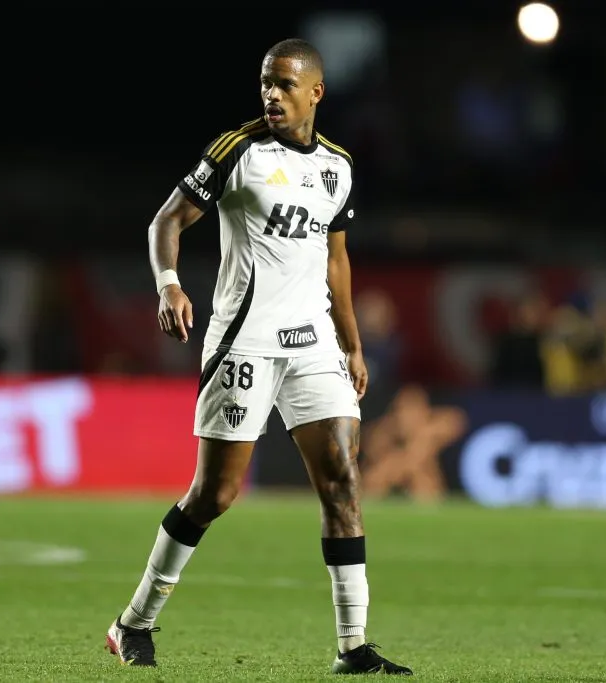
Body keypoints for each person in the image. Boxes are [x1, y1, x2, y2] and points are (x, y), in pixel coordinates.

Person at [104, 38, 413, 676]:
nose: (271, 94)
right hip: (243, 341)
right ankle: (133, 622)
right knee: (214, 494)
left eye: (284, 84)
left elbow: (336, 262)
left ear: (315, 93)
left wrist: (352, 343)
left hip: (314, 344)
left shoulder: (339, 167)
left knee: (343, 483)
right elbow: (166, 220)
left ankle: (352, 648)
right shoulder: (237, 150)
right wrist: (169, 283)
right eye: (265, 83)